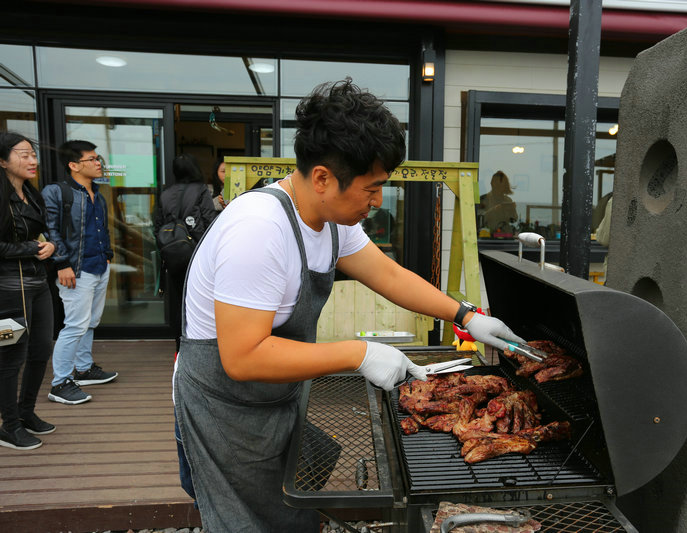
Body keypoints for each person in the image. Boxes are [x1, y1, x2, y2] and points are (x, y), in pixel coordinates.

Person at [173, 79, 525, 532]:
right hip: (226, 411)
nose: (378, 202)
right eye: (371, 188)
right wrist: (358, 353)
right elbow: (243, 357)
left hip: (276, 398)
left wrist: (466, 316)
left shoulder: (331, 220)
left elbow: (390, 275)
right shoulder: (258, 231)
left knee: (294, 509)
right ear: (322, 177)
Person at [42, 140, 118, 406]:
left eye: (99, 159)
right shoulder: (57, 192)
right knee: (74, 325)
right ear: (74, 165)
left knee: (89, 322)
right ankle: (60, 383)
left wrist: (107, 256)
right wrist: (62, 263)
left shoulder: (97, 192)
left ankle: (84, 369)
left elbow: (101, 230)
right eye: (92, 159)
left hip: (99, 265)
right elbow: (50, 230)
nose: (99, 163)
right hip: (75, 269)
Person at [0, 132, 56, 450]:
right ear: (3, 160)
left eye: (33, 154)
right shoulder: (2, 197)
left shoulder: (30, 195)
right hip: (7, 289)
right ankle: (8, 425)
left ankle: (26, 413)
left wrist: (48, 244)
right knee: (11, 356)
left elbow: (39, 234)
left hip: (37, 284)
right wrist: (31, 247)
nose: (32, 160)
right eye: (23, 154)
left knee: (40, 351)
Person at [153, 154, 216, 352]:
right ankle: (199, 343)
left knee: (178, 299)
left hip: (172, 255)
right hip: (196, 252)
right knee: (200, 298)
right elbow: (209, 222)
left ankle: (180, 345)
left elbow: (157, 226)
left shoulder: (165, 193)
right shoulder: (201, 190)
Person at [480, 170, 517, 235]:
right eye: (496, 184)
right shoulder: (484, 199)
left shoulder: (508, 200)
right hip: (488, 236)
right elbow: (480, 220)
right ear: (492, 184)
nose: (498, 187)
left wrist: (513, 210)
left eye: (501, 185)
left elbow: (513, 220)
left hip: (505, 236)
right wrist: (495, 210)